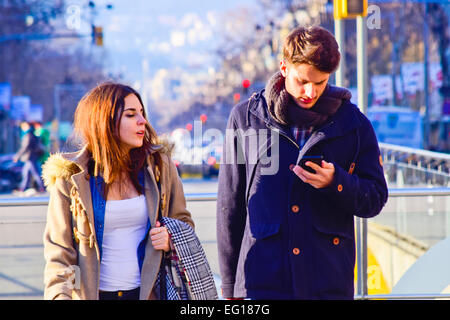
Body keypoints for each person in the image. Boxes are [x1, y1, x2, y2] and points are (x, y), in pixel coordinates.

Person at [216, 25, 388, 300]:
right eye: (302, 81)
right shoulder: (245, 118)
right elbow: (230, 205)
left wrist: (337, 182)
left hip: (327, 281)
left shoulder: (354, 124)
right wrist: (229, 284)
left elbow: (375, 199)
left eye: (320, 83)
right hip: (261, 280)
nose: (311, 91)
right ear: (284, 68)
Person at [42, 83, 194, 300]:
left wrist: (171, 239)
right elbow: (61, 254)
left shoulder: (160, 166)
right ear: (105, 122)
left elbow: (184, 223)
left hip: (150, 294)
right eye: (131, 115)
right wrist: (61, 295)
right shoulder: (71, 178)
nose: (142, 121)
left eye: (141, 113)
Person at [13, 121, 45, 193]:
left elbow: (25, 147)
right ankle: (23, 188)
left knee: (35, 173)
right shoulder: (32, 134)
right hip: (31, 156)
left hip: (30, 156)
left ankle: (42, 187)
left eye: (23, 127)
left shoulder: (28, 135)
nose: (22, 128)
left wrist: (17, 156)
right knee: (26, 173)